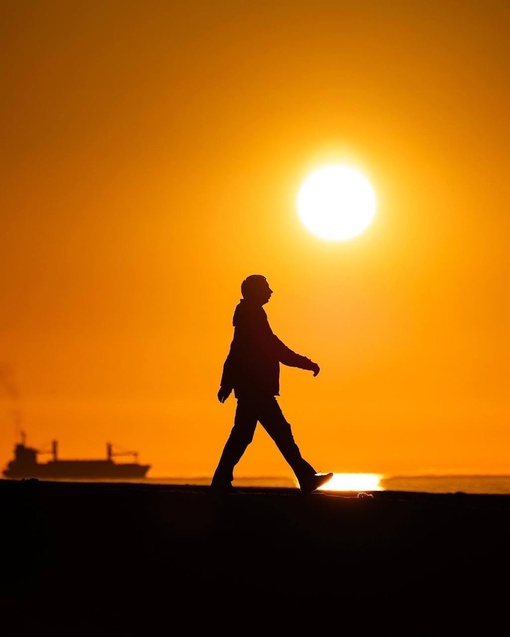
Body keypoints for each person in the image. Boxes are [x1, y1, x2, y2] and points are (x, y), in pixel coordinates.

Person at [211, 274, 333, 495]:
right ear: (255, 291)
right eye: (266, 287)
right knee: (279, 433)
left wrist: (226, 384)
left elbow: (235, 350)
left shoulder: (248, 314)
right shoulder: (252, 315)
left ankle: (221, 481)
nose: (270, 291)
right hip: (256, 388)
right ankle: (306, 478)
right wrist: (305, 363)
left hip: (252, 387)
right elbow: (271, 346)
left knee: (244, 435)